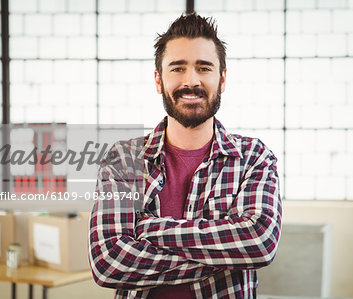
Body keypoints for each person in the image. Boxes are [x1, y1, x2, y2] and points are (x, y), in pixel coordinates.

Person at [89, 13, 282, 299]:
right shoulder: (122, 159)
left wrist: (148, 230)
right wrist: (222, 258)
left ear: (222, 78)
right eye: (177, 69)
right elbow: (108, 262)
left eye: (204, 68)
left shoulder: (254, 157)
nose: (191, 81)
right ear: (159, 80)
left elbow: (259, 241)